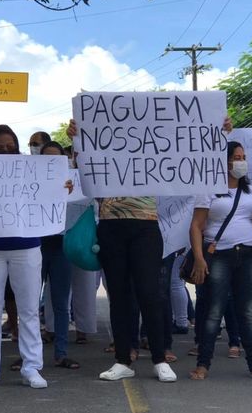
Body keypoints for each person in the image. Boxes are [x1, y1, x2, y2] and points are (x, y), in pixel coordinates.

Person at [66, 120, 177, 383]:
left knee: (149, 293)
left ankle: (159, 359)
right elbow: (83, 172)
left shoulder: (152, 149)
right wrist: (77, 139)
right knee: (118, 296)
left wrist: (218, 132)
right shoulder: (100, 152)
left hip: (145, 227)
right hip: (110, 227)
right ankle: (123, 360)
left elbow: (186, 150)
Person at [0, 125, 70, 390]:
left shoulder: (29, 170)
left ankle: (31, 367)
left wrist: (61, 188)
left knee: (28, 311)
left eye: (10, 147)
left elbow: (48, 192)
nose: (6, 151)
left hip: (26, 246)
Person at [188, 141, 252, 381]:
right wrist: (198, 258)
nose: (241, 162)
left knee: (247, 312)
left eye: (243, 157)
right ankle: (203, 364)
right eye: (237, 157)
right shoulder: (209, 190)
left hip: (247, 255)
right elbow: (196, 226)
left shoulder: (251, 191)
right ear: (223, 161)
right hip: (219, 256)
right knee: (214, 311)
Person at [39, 141, 80, 369]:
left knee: (61, 303)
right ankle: (28, 355)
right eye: (47, 158)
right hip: (36, 246)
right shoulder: (30, 181)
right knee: (29, 304)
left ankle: (61, 353)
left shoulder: (72, 182)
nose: (51, 162)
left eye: (57, 159)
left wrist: (71, 193)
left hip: (60, 246)